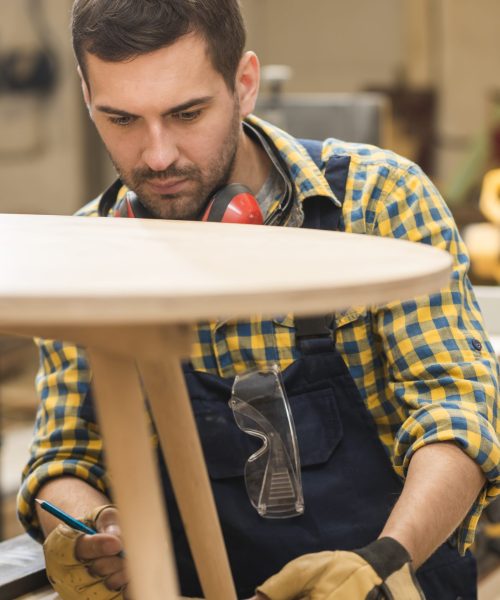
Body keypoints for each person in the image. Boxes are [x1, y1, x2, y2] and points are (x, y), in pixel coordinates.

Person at [17, 1, 499, 599]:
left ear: (244, 84)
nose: (158, 154)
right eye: (121, 120)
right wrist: (93, 528)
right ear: (88, 98)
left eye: (187, 113)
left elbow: (458, 421)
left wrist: (381, 564)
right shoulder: (87, 255)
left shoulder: (377, 203)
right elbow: (66, 458)